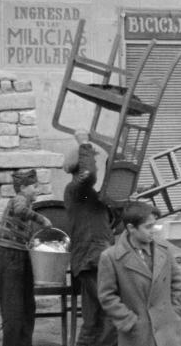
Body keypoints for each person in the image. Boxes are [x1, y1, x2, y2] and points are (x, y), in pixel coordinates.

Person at [97, 201, 181, 346]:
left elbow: (177, 281)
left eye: (154, 225)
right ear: (131, 228)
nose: (153, 230)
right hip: (137, 334)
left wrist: (175, 311)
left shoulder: (164, 249)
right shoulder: (111, 257)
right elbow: (107, 296)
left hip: (167, 332)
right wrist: (129, 321)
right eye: (148, 227)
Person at [63, 133, 117, 346]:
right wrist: (84, 142)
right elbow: (88, 173)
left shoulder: (87, 195)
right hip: (92, 260)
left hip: (92, 259)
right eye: (91, 158)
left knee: (93, 321)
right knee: (113, 314)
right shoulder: (78, 190)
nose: (94, 162)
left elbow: (103, 223)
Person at [0, 169, 53, 346]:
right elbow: (20, 210)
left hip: (20, 256)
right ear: (22, 187)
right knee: (13, 309)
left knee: (27, 307)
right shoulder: (20, 199)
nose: (37, 190)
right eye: (34, 186)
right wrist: (41, 219)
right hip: (9, 257)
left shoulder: (28, 205)